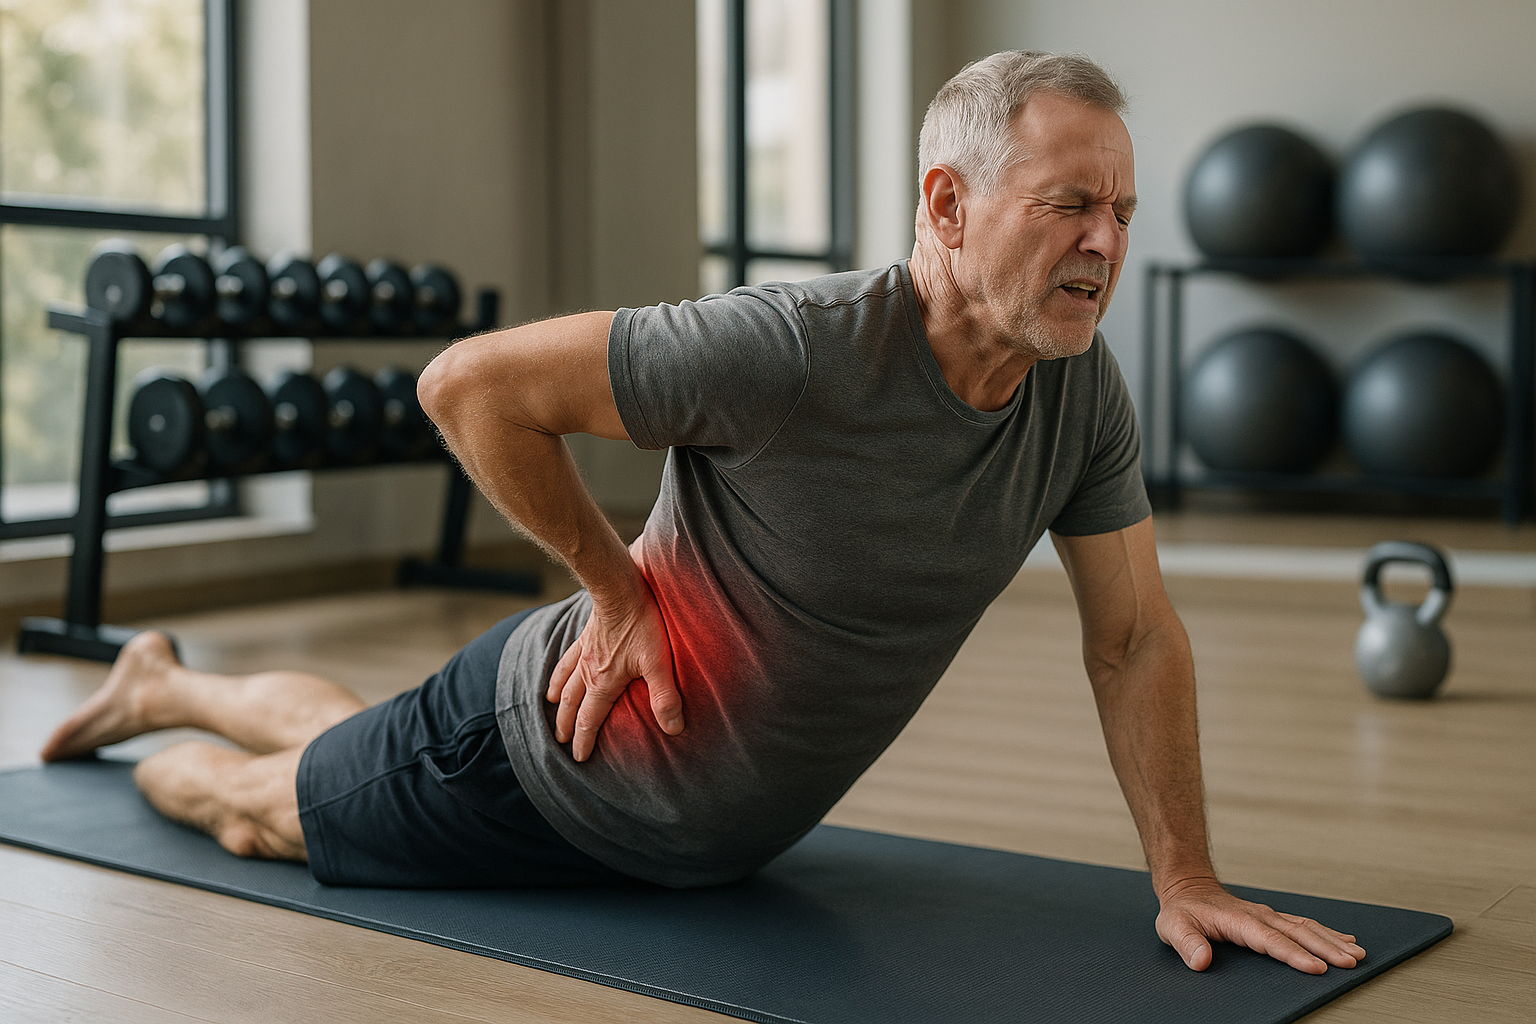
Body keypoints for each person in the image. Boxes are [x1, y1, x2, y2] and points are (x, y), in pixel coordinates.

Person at [41, 51, 1364, 975]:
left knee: (347, 741)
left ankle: (165, 678)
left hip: (699, 839)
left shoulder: (1078, 391)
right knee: (262, 812)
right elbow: (470, 388)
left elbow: (1131, 637)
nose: (1108, 243)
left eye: (1123, 210)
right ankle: (166, 734)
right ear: (947, 207)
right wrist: (616, 595)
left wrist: (1184, 877)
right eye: (1071, 202)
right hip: (543, 768)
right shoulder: (788, 349)